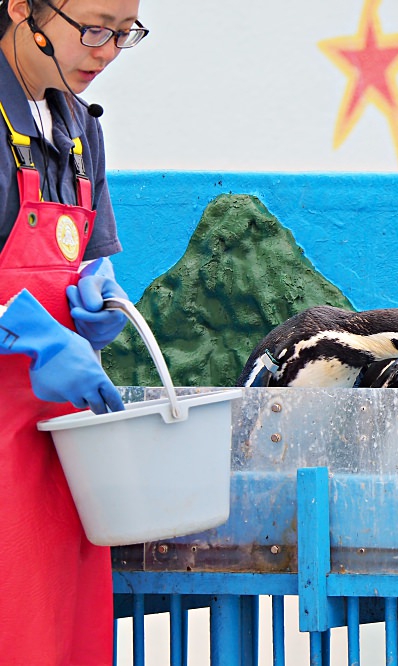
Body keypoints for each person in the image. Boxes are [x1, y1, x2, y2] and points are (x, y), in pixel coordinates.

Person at [0, 0, 147, 662]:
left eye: (124, 33)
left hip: (63, 457)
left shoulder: (80, 129)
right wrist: (20, 323)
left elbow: (87, 252)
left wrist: (100, 291)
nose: (107, 51)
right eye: (92, 28)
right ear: (21, 7)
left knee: (67, 640)